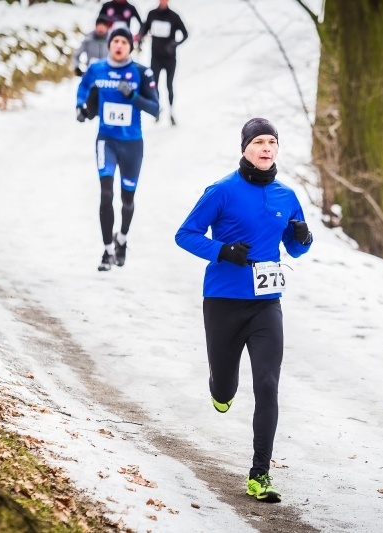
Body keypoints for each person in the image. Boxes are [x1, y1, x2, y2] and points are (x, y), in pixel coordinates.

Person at [175, 118, 313, 503]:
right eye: (259, 142)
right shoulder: (221, 191)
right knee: (225, 387)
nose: (266, 148)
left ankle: (260, 473)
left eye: (272, 142)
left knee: (268, 385)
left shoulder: (286, 195)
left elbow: (297, 245)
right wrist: (221, 251)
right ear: (245, 148)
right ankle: (220, 390)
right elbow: (184, 234)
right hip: (223, 301)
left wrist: (303, 238)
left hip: (267, 305)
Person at [76, 27, 160, 272]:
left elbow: (155, 109)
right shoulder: (97, 69)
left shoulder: (142, 72)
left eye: (124, 41)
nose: (119, 45)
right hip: (106, 140)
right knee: (105, 193)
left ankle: (121, 238)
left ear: (130, 47)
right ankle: (107, 250)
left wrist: (133, 95)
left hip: (132, 144)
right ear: (110, 44)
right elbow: (84, 89)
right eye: (116, 41)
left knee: (127, 199)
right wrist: (81, 108)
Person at [138, 0, 188, 125]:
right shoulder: (152, 14)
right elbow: (144, 30)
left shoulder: (174, 16)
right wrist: (139, 41)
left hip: (170, 58)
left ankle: (171, 111)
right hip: (156, 57)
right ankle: (157, 109)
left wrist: (175, 44)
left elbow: (185, 34)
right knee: (154, 84)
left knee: (169, 85)